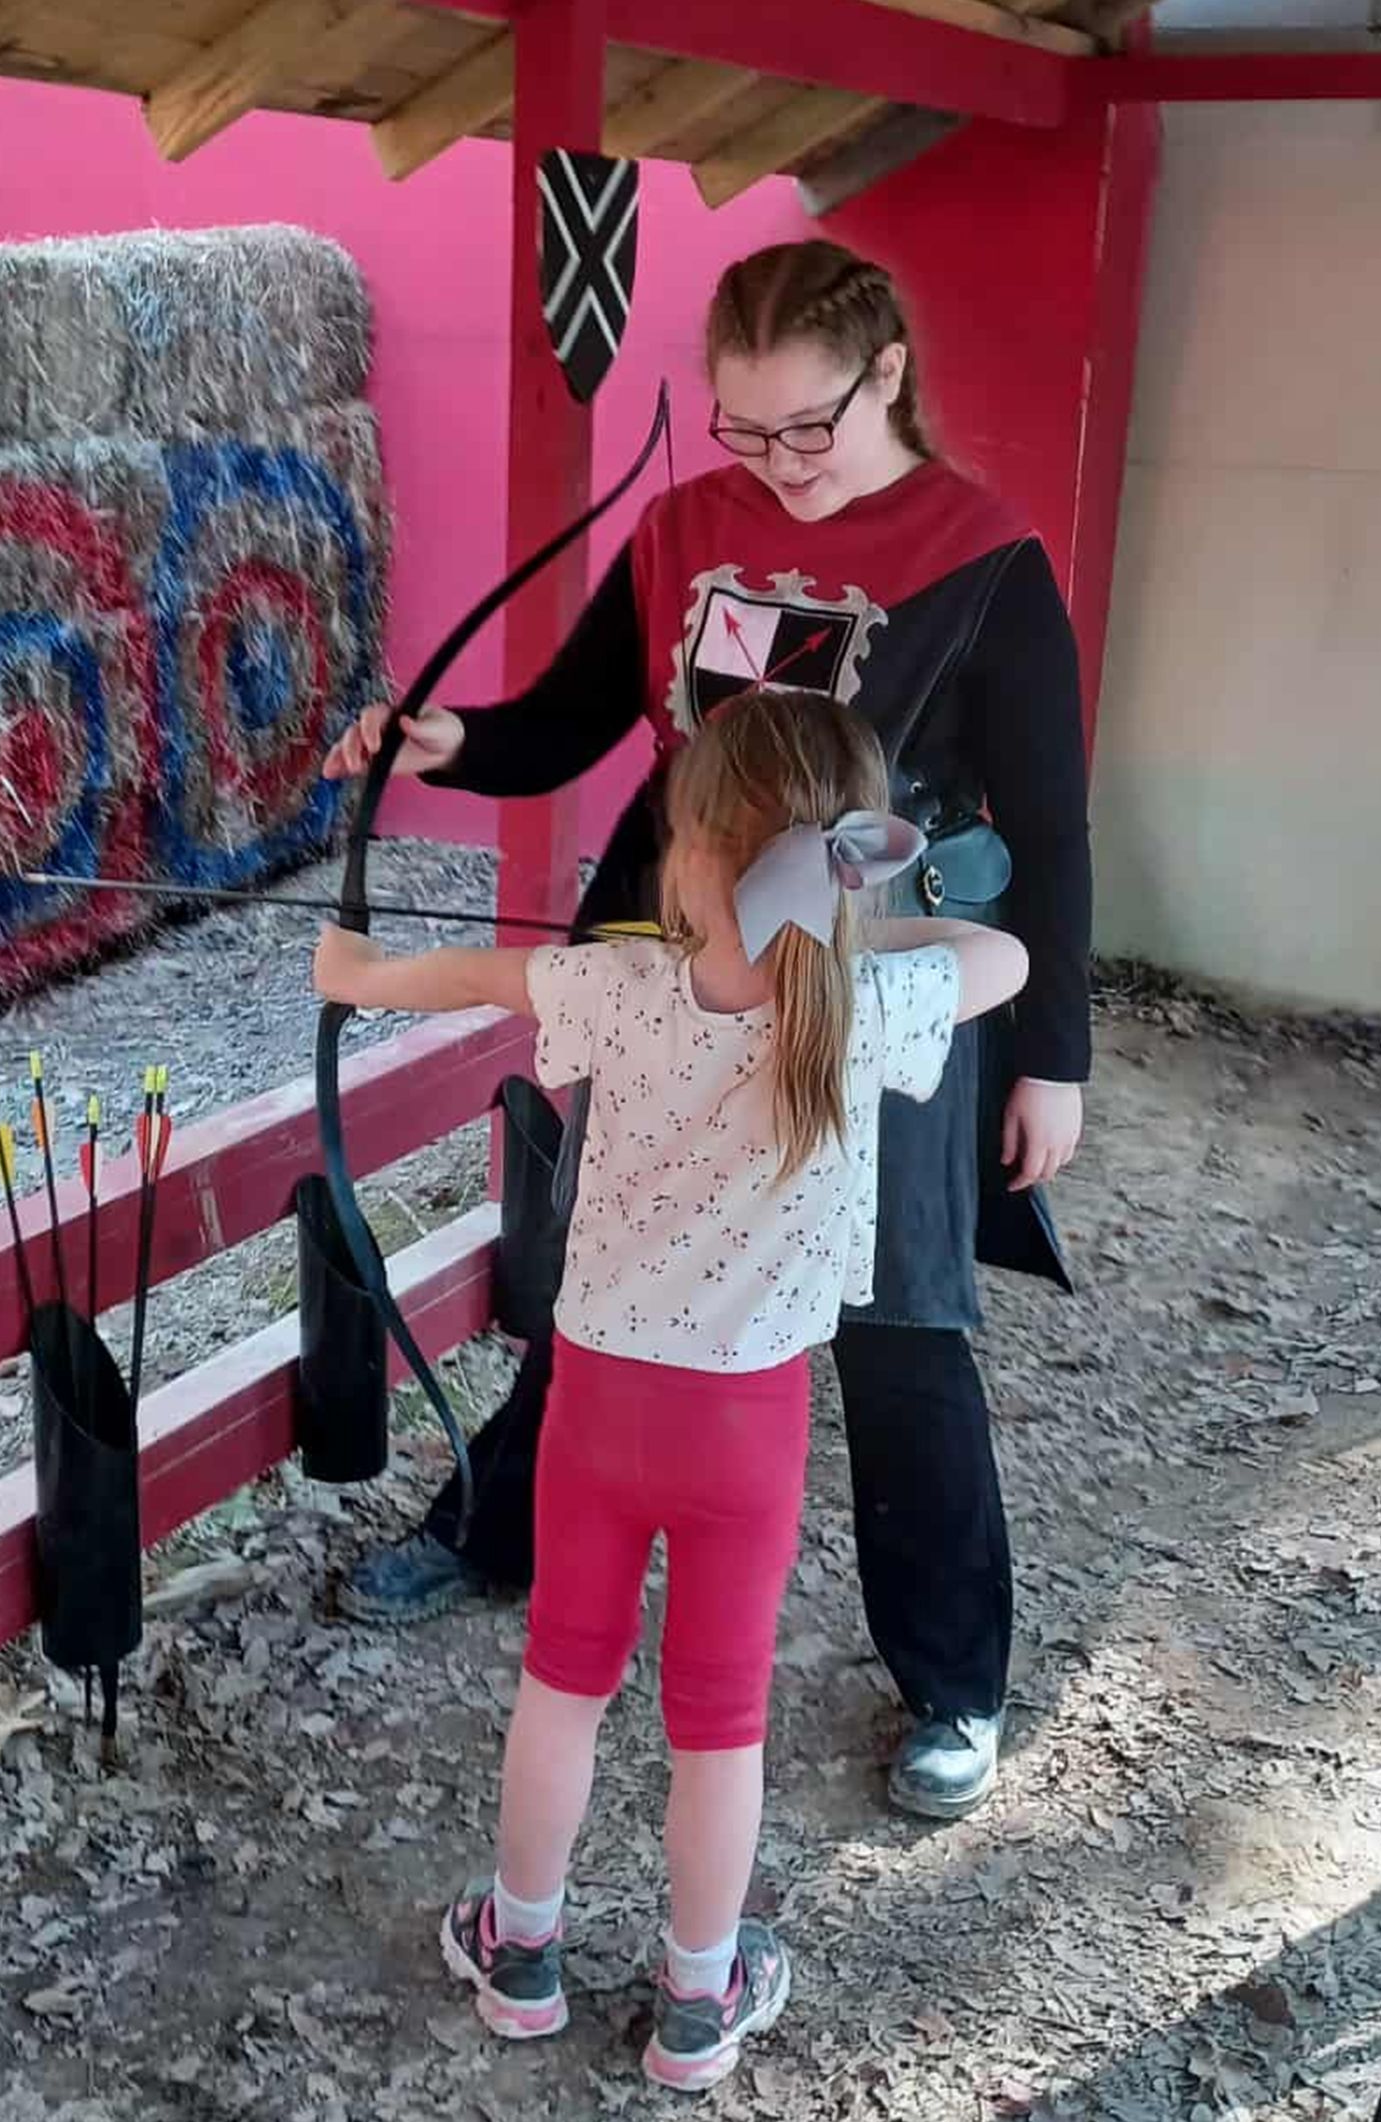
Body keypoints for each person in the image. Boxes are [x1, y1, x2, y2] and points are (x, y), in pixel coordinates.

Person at [325, 238, 1091, 1821]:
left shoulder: (985, 555)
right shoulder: (687, 520)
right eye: (742, 432)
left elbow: (1056, 836)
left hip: (862, 984)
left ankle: (952, 1677)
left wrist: (1054, 1061)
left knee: (894, 1326)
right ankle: (500, 1530)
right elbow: (575, 716)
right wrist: (447, 737)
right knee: (604, 1266)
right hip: (673, 952)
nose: (776, 466)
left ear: (885, 373)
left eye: (806, 426)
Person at [315, 691, 1028, 2090]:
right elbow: (998, 952)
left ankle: (518, 1953)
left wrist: (355, 971)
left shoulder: (621, 989)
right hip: (743, 1434)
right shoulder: (868, 1006)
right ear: (850, 861)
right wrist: (880, 929)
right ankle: (697, 2002)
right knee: (720, 1723)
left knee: (562, 1685)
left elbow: (471, 979)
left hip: (596, 1410)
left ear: (688, 852)